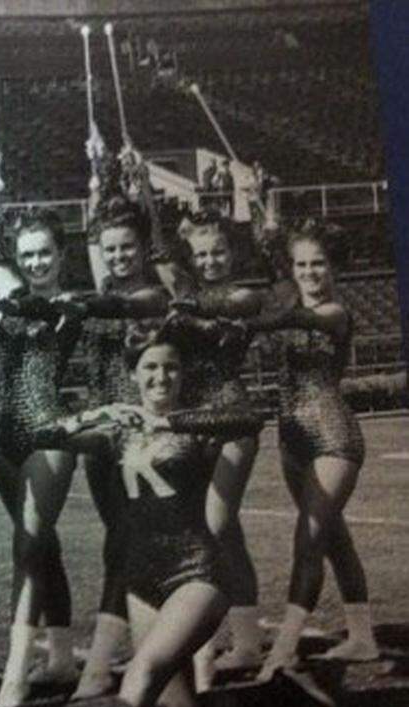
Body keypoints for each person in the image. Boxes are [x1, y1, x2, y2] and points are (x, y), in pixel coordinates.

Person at [27, 327, 329, 707]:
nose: (161, 376)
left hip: (198, 572)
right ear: (133, 374)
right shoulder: (116, 430)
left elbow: (247, 422)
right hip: (143, 578)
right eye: (149, 367)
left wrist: (169, 423)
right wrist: (86, 417)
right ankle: (282, 690)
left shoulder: (199, 425)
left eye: (170, 367)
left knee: (143, 669)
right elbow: (39, 432)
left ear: (184, 374)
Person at [248, 220, 377, 679]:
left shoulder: (335, 312)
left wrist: (256, 318)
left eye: (318, 263)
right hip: (292, 440)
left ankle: (282, 650)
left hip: (334, 437)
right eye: (301, 264)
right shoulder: (286, 300)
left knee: (307, 539)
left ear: (334, 266)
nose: (309, 272)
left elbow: (298, 318)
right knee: (332, 539)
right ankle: (362, 638)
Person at [0, 142, 84, 707]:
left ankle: (17, 674)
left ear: (60, 254)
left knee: (28, 542)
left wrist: (12, 294)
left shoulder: (68, 303)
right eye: (28, 254)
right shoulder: (11, 287)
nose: (36, 262)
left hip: (48, 430)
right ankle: (62, 655)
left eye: (44, 252)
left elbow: (24, 298)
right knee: (43, 547)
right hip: (4, 435)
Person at [69, 139, 169, 700]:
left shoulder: (150, 293)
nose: (117, 255)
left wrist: (135, 186)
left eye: (127, 247)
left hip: (138, 434)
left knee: (130, 542)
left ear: (141, 246)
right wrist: (96, 176)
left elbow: (110, 305)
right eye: (110, 248)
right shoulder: (105, 281)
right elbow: (93, 241)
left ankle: (102, 665)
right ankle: (136, 652)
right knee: (121, 540)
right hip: (103, 437)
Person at [157, 209, 265, 677]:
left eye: (218, 251)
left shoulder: (244, 295)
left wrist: (183, 302)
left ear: (233, 251)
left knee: (213, 529)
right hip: (195, 423)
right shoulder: (188, 289)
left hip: (233, 419)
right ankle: (245, 641)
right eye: (201, 254)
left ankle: (202, 644)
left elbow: (215, 311)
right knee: (224, 533)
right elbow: (161, 255)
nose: (211, 260)